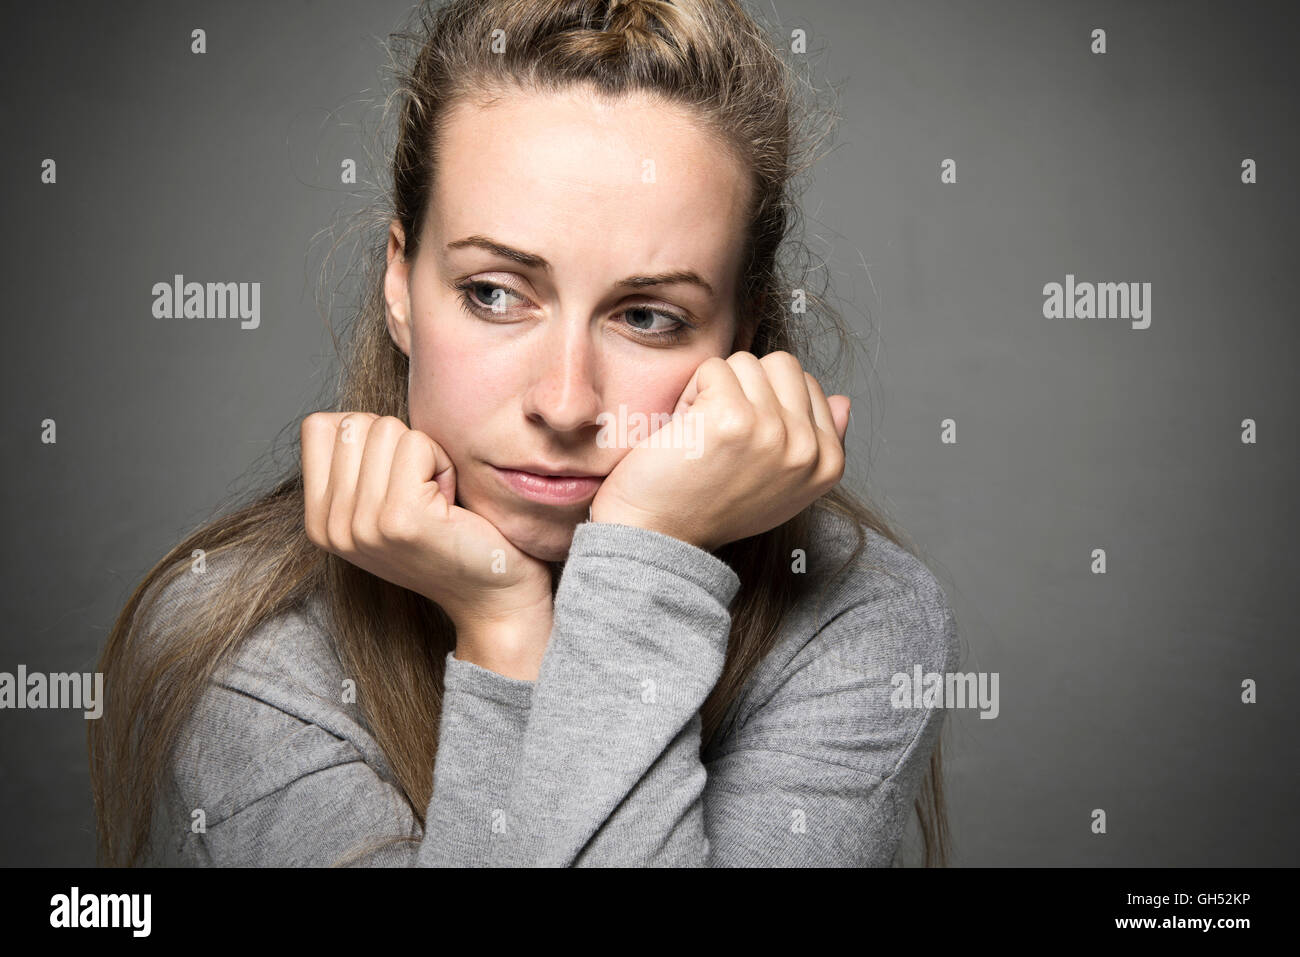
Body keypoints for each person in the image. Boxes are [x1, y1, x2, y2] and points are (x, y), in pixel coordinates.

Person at [90, 0, 961, 867]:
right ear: (399, 284)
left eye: (649, 315)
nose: (567, 402)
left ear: (742, 335)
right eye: (495, 294)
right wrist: (504, 626)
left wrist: (641, 557)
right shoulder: (245, 636)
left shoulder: (852, 612)